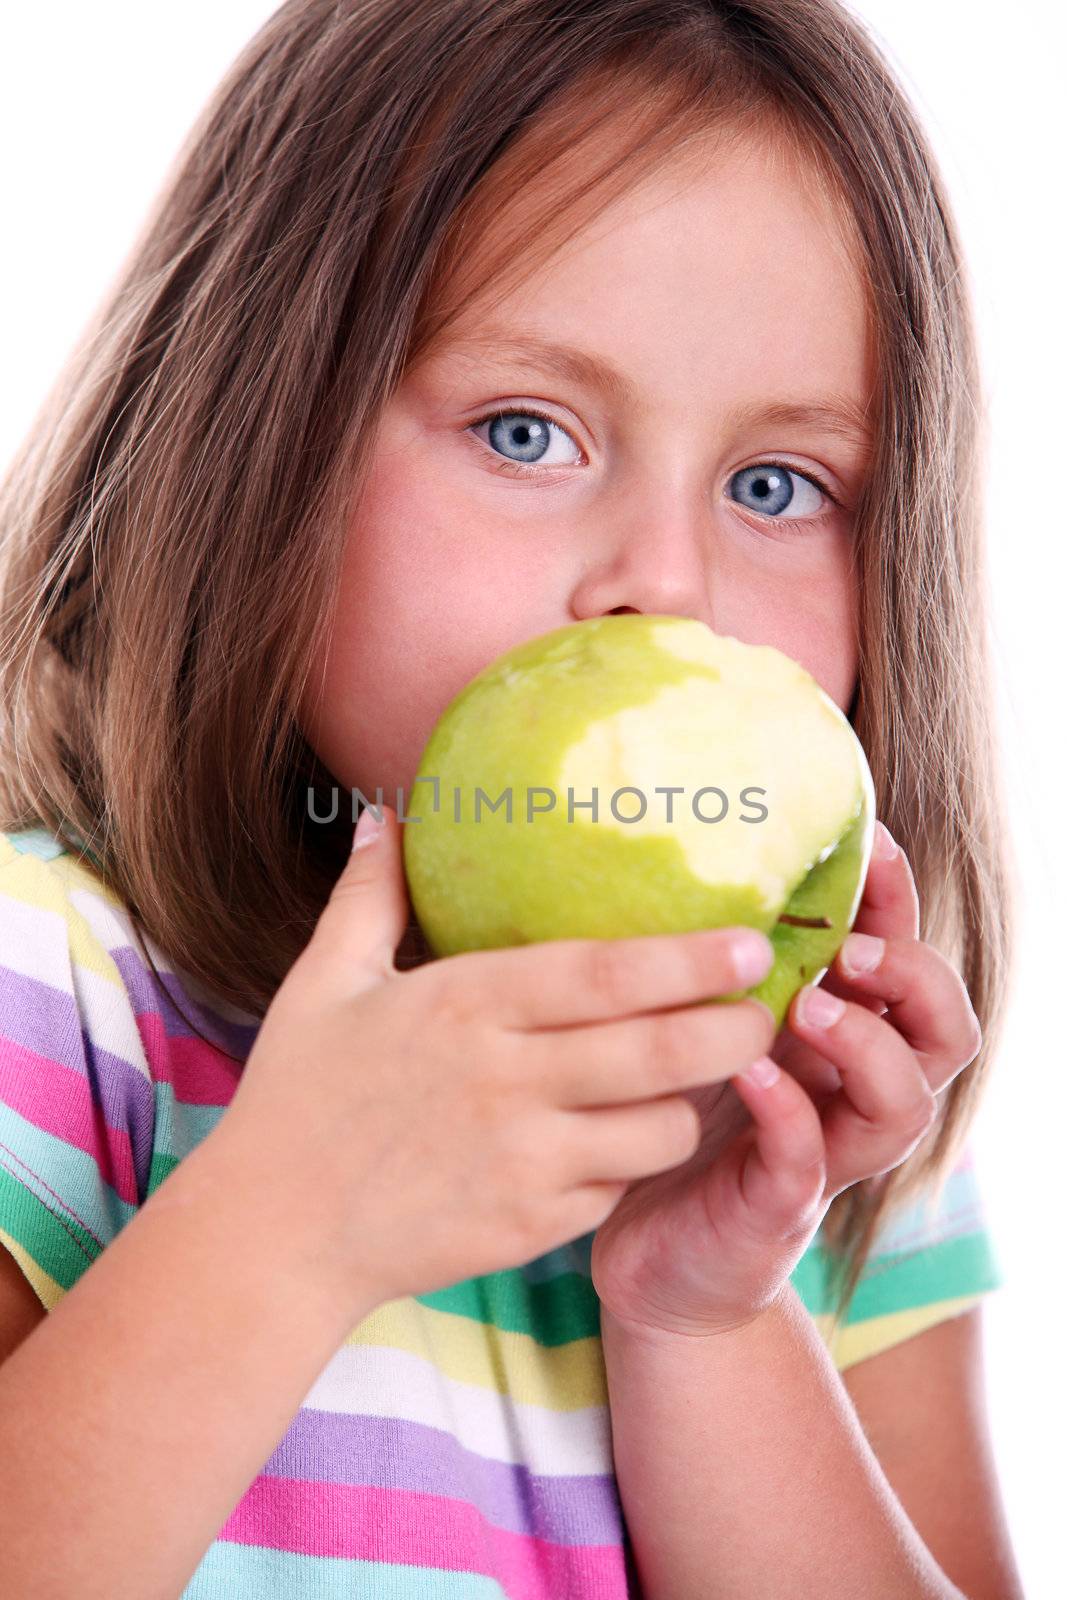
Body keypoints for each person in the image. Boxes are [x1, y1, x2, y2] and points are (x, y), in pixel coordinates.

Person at [0, 1, 1025, 1595]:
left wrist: (709, 1310)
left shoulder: (822, 1153)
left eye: (776, 487)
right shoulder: (51, 1002)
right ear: (258, 437)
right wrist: (292, 1222)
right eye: (526, 431)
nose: (665, 591)